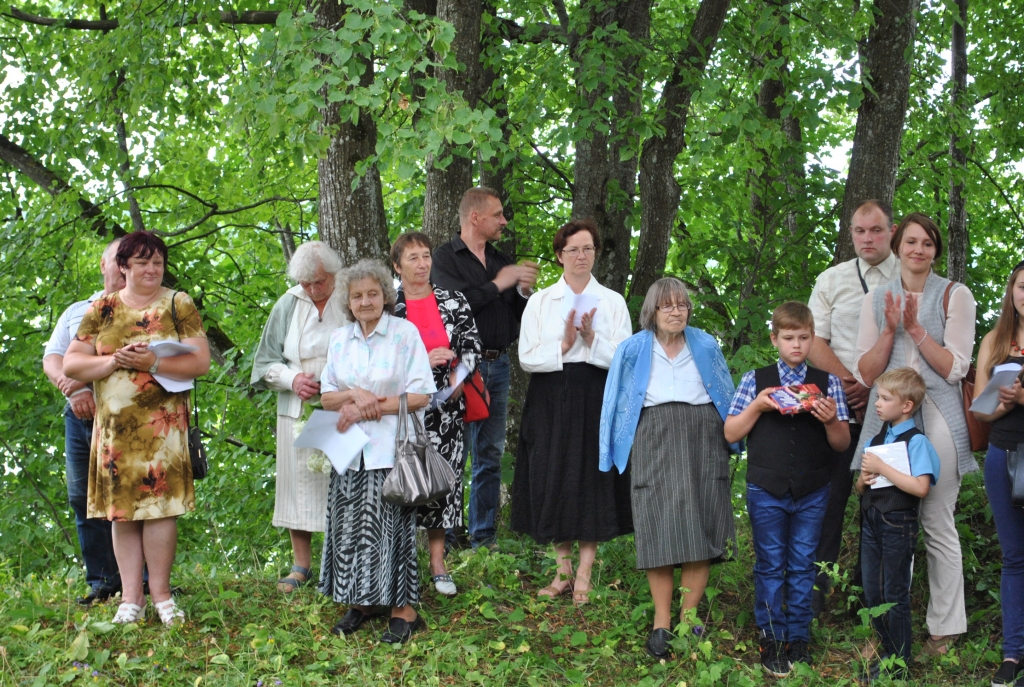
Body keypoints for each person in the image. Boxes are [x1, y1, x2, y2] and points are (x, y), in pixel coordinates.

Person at [63, 231, 211, 626]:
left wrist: (153, 364)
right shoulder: (103, 307)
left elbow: (200, 362)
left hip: (162, 427)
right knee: (122, 512)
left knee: (161, 511)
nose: (151, 269)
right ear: (123, 267)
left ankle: (161, 596)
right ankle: (131, 599)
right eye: (142, 262)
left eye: (158, 262)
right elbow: (72, 364)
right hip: (114, 430)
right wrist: (113, 362)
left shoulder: (178, 303)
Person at [854, 212, 977, 657]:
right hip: (888, 421)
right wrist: (890, 328)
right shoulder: (877, 298)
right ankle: (888, 632)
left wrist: (917, 328)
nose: (917, 250)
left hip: (941, 414)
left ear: (936, 250)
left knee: (936, 522)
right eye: (910, 242)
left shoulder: (955, 295)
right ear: (897, 246)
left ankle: (944, 630)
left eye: (927, 243)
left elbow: (955, 367)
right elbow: (867, 374)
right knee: (887, 523)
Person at [599, 278, 740, 660]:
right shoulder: (631, 348)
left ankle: (690, 621)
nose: (676, 311)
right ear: (653, 311)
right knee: (657, 524)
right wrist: (607, 450)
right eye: (667, 305)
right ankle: (662, 622)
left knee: (701, 522)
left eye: (682, 305)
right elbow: (613, 399)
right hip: (652, 436)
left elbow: (727, 392)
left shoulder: (707, 345)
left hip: (703, 436)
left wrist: (735, 437)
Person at [724, 302, 850, 677]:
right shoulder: (755, 380)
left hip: (813, 489)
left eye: (804, 338)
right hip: (766, 488)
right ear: (774, 339)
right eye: (789, 338)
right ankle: (771, 638)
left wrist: (830, 421)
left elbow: (842, 443)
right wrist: (759, 407)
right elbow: (731, 433)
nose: (796, 345)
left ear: (813, 338)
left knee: (802, 565)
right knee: (769, 564)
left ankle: (799, 638)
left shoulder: (829, 383)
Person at [512, 219, 633, 606]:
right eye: (573, 250)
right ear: (559, 255)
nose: (581, 256)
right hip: (550, 395)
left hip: (595, 393)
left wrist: (592, 340)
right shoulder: (541, 301)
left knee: (590, 477)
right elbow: (527, 358)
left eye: (588, 248)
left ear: (596, 253)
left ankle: (584, 572)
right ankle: (561, 569)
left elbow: (627, 359)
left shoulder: (612, 301)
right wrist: (564, 345)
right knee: (554, 473)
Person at [318, 259, 436, 645]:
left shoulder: (404, 333)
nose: (365, 301)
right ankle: (362, 602)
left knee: (393, 530)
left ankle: (405, 611)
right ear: (348, 302)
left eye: (372, 293)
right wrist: (353, 396)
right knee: (352, 528)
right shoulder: (340, 339)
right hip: (349, 452)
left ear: (385, 296)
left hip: (392, 451)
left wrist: (373, 406)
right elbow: (326, 395)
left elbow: (422, 394)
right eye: (357, 296)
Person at [431, 187, 538, 549]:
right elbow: (453, 306)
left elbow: (516, 316)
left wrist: (522, 292)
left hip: (499, 362)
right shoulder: (444, 258)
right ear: (475, 217)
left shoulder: (501, 259)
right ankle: (445, 537)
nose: (504, 220)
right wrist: (498, 284)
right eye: (497, 215)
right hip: (459, 365)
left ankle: (483, 537)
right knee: (450, 451)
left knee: (489, 454)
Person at [807, 199, 899, 614]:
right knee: (829, 503)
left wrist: (874, 386)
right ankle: (818, 594)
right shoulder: (832, 279)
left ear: (891, 231)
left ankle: (870, 598)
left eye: (876, 230)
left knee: (881, 505)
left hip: (892, 410)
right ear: (851, 233)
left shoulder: (909, 275)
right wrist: (850, 384)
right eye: (860, 231)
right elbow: (812, 341)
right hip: (838, 409)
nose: (867, 238)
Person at [391, 232, 482, 596]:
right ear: (396, 266)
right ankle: (400, 560)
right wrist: (422, 363)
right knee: (402, 480)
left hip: (447, 407)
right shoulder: (388, 306)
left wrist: (460, 376)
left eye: (426, 256)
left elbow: (473, 346)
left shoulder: (453, 300)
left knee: (444, 481)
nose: (422, 263)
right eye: (412, 258)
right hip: (400, 410)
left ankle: (438, 562)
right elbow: (378, 360)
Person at [250, 241, 345, 593]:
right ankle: (301, 565)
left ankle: (341, 562)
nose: (313, 289)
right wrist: (293, 379)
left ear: (333, 274)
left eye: (319, 282)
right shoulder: (288, 303)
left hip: (343, 406)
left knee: (343, 484)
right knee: (298, 486)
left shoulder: (350, 295)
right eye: (306, 283)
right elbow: (263, 363)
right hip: (296, 409)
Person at [42, 238, 125, 606]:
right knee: (82, 497)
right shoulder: (78, 310)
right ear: (103, 265)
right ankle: (103, 581)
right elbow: (53, 357)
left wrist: (83, 378)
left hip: (125, 415)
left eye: (130, 263)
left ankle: (143, 581)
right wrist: (72, 389)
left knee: (132, 495)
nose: (122, 269)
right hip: (78, 418)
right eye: (117, 261)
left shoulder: (143, 309)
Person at [854, 368, 940, 683]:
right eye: (878, 396)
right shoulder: (879, 437)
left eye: (885, 398)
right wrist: (863, 480)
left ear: (906, 405)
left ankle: (899, 662)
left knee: (894, 592)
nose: (877, 403)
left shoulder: (916, 442)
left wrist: (883, 467)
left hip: (898, 523)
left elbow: (921, 487)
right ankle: (888, 652)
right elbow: (861, 487)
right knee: (872, 591)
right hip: (872, 521)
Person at [972, 260, 1024, 687]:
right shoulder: (994, 339)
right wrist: (1008, 403)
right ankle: (1012, 654)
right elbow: (980, 408)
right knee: (1014, 557)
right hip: (1003, 455)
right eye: (1022, 286)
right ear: (1012, 291)